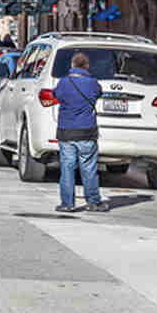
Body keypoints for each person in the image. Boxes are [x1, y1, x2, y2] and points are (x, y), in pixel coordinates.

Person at [53, 51, 108, 213]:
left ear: (72, 65)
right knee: (89, 168)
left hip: (66, 132)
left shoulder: (63, 83)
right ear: (87, 66)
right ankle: (93, 202)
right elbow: (98, 93)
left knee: (67, 168)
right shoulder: (93, 83)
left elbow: (56, 95)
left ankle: (67, 203)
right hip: (87, 132)